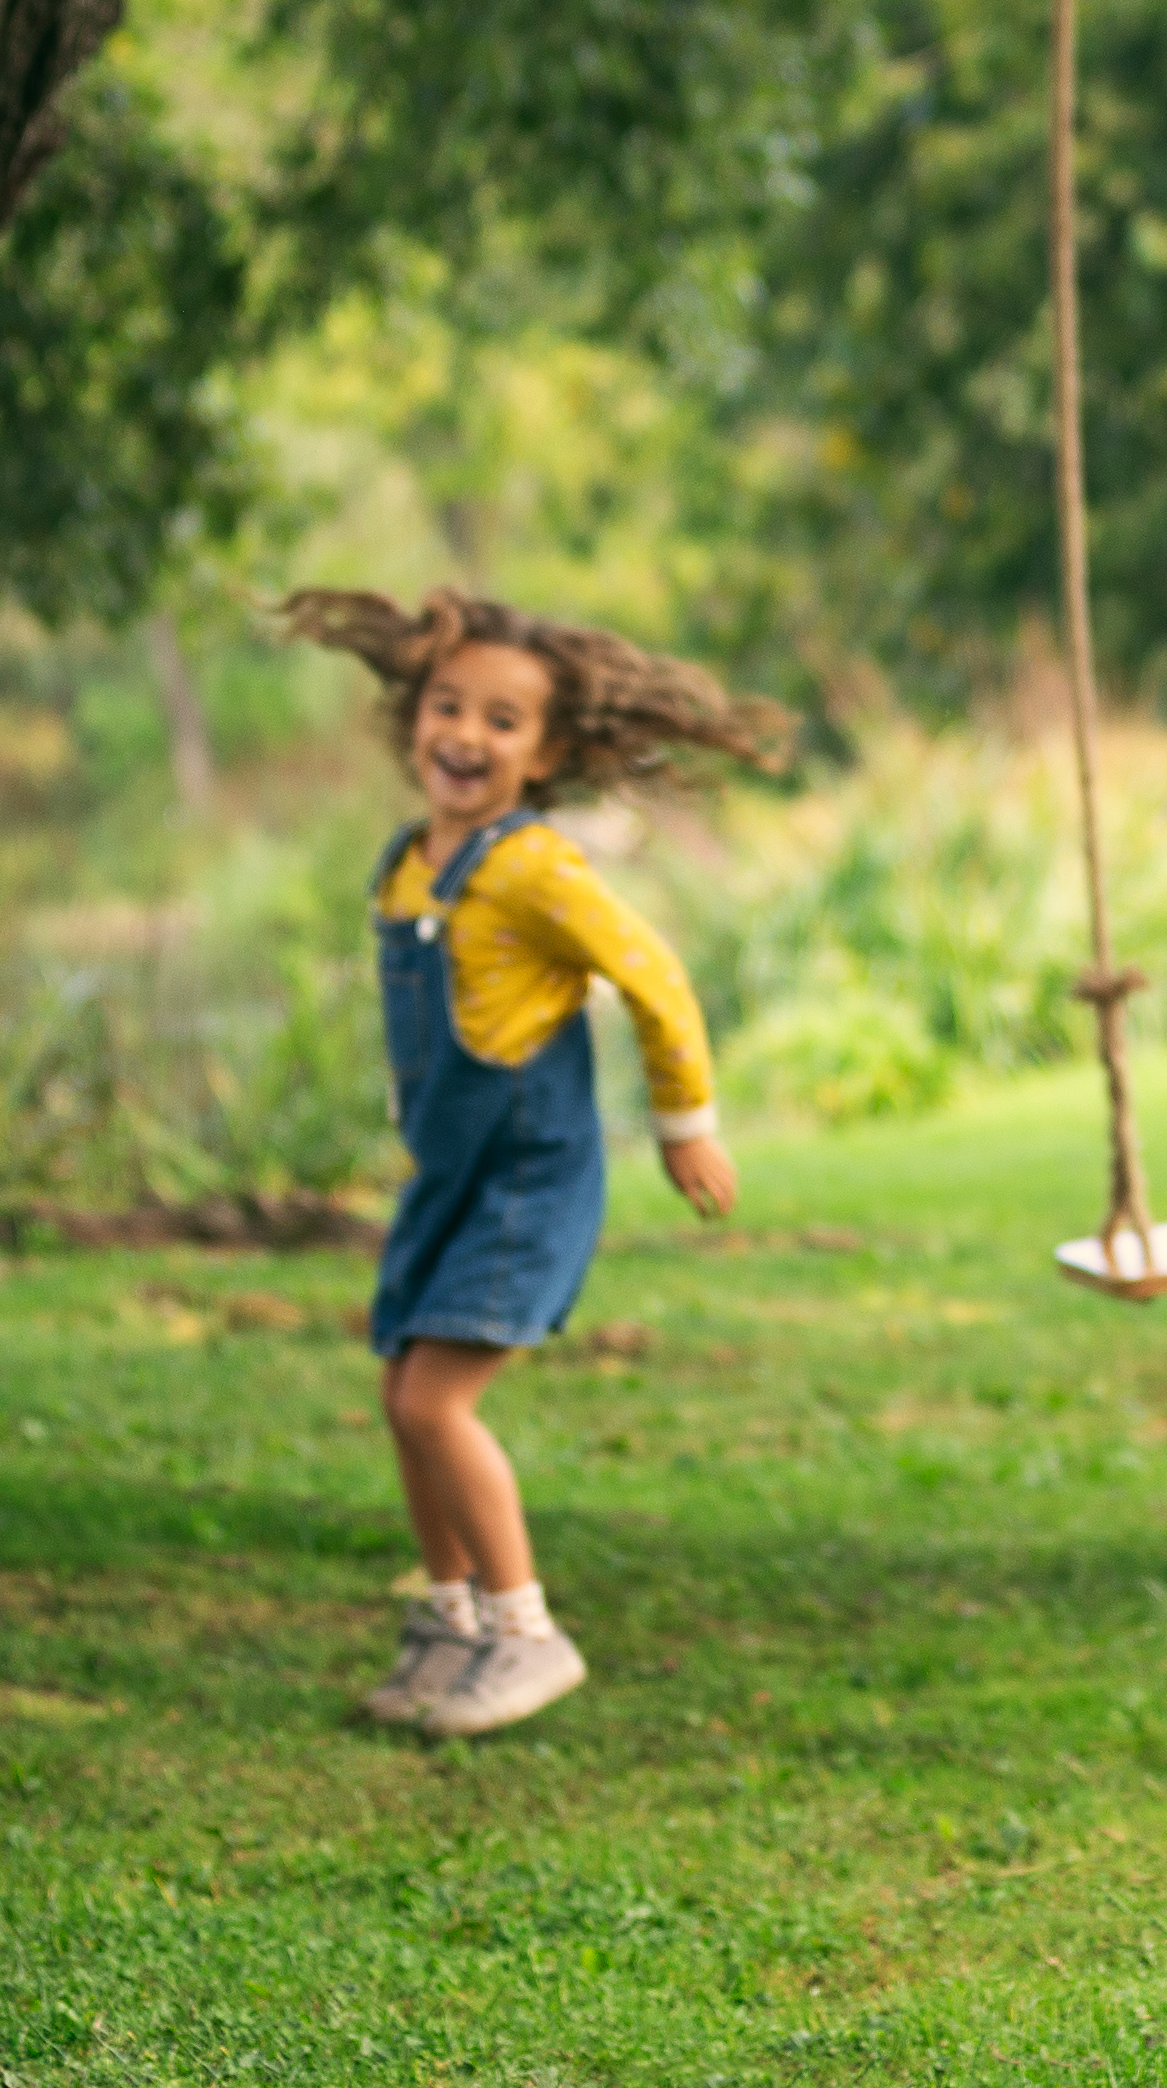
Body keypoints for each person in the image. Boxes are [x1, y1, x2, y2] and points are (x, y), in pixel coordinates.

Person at [279, 585, 790, 1741]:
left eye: (502, 721)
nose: (465, 735)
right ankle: (452, 1622)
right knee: (401, 1398)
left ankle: (526, 1631)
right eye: (447, 705)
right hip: (446, 1182)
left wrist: (685, 1124)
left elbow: (654, 978)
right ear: (413, 714)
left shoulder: (534, 865)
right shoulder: (409, 864)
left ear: (549, 750)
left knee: (433, 1398)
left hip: (525, 1180)